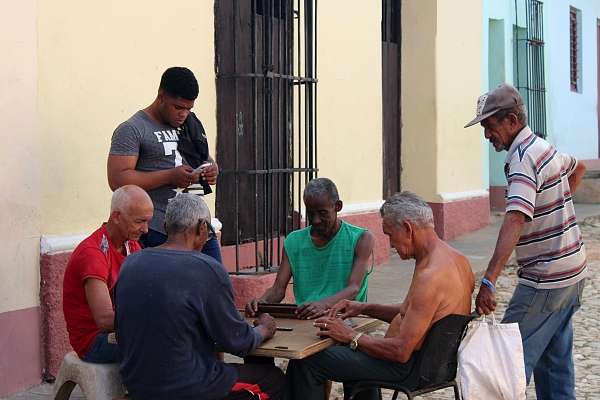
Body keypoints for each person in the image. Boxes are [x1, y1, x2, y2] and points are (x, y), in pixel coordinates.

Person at [285, 192, 475, 400]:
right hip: (435, 367)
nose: (391, 244)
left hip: (407, 368)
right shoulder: (458, 260)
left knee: (306, 361)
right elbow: (417, 313)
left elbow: (400, 351)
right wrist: (363, 308)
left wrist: (351, 335)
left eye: (390, 235)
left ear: (407, 228)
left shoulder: (430, 276)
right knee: (352, 354)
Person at [465, 83, 588, 399]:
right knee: (554, 367)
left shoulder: (523, 158)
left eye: (489, 126)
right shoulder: (542, 147)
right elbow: (578, 168)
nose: (486, 135)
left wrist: (489, 281)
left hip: (545, 280)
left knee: (504, 366)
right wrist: (553, 208)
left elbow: (516, 217)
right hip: (571, 274)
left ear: (511, 120)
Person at [115, 194, 285, 400]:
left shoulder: (131, 263)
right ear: (202, 227)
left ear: (166, 226)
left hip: (137, 385)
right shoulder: (206, 268)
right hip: (187, 387)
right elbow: (239, 343)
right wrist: (265, 329)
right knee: (274, 380)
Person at [107, 66, 222, 262]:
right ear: (161, 96)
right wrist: (170, 176)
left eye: (189, 109)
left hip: (198, 227)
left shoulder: (190, 124)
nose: (183, 114)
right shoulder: (133, 129)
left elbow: (203, 157)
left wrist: (212, 168)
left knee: (215, 282)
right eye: (178, 107)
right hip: (156, 230)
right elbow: (117, 180)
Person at [245, 177, 375, 320]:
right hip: (307, 318)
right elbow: (278, 289)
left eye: (322, 213)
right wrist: (262, 302)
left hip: (347, 318)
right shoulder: (294, 241)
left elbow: (353, 289)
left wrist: (323, 305)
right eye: (310, 213)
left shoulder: (361, 239)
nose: (316, 220)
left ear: (337, 206)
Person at [62, 185, 153, 363]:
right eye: (139, 221)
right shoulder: (93, 253)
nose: (146, 229)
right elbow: (104, 321)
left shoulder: (131, 245)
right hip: (94, 341)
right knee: (165, 341)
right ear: (116, 217)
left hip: (120, 332)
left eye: (148, 221)